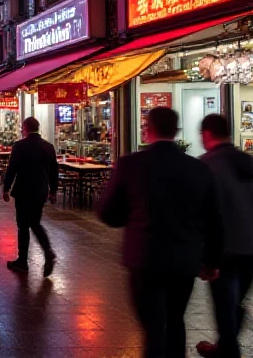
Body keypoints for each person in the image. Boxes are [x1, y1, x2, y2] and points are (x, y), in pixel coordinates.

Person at [99, 107, 222, 358]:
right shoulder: (198, 168)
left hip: (145, 258)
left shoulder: (131, 164)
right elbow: (214, 219)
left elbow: (107, 212)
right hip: (184, 260)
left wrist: (131, 217)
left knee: (153, 326)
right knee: (176, 320)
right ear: (176, 132)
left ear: (148, 129)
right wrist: (212, 261)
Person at [195, 114, 253, 358]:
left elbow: (201, 211)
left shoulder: (206, 165)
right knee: (234, 301)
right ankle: (225, 345)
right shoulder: (247, 161)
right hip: (250, 246)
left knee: (225, 305)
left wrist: (203, 255)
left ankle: (229, 350)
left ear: (207, 134)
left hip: (224, 247)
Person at [2, 117, 59, 277]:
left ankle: (22, 261)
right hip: (41, 190)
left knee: (23, 225)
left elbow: (12, 168)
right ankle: (48, 251)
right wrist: (53, 190)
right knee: (35, 222)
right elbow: (54, 171)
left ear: (25, 128)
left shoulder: (20, 146)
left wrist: (6, 188)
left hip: (23, 189)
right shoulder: (48, 146)